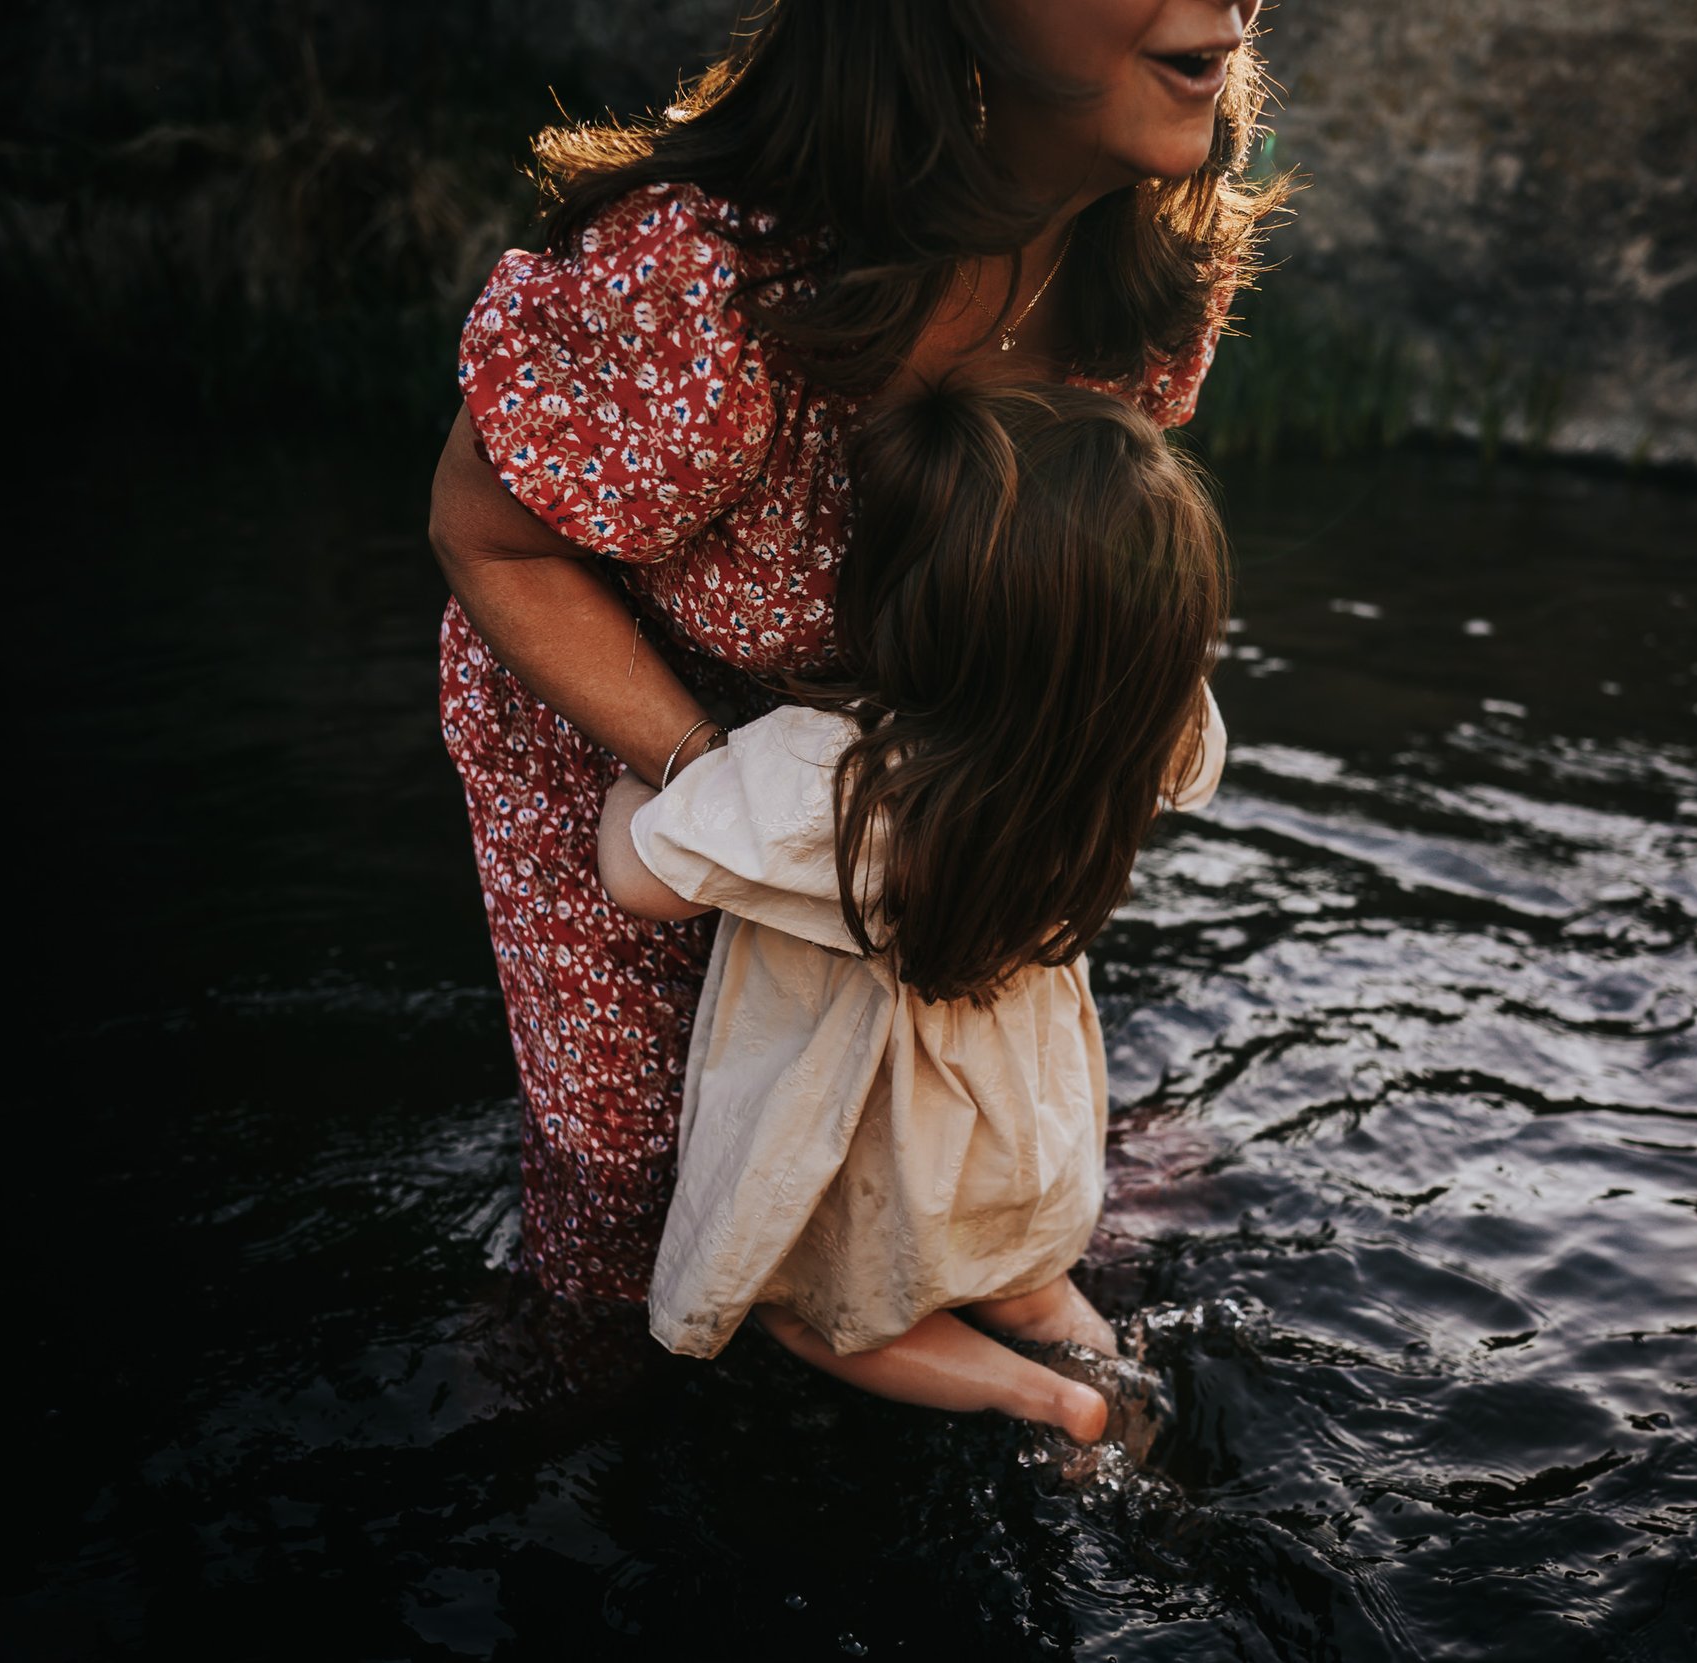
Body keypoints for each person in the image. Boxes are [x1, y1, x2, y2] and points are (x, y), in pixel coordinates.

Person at [426, 0, 1282, 1301]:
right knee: (632, 1220)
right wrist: (736, 804)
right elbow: (490, 539)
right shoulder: (709, 278)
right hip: (624, 766)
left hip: (912, 780)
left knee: (909, 1174)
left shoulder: (1147, 273)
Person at [591, 382, 1228, 1441]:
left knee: (807, 1316)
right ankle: (1114, 1390)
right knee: (1025, 1285)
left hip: (894, 1123)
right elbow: (1187, 742)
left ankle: (1047, 1400)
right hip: (1029, 1106)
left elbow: (640, 875)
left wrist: (635, 775)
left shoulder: (847, 786)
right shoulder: (1137, 737)